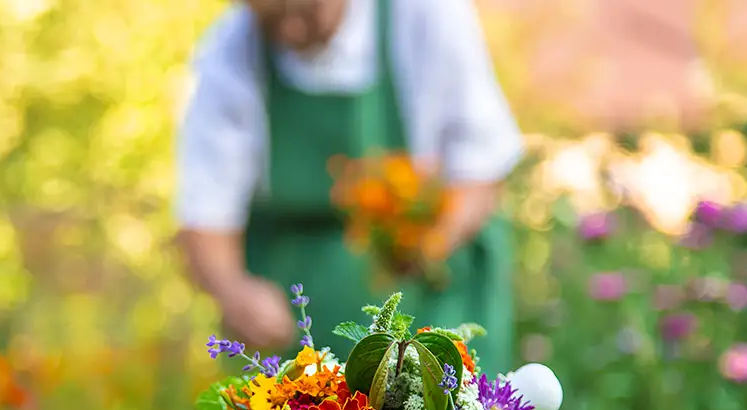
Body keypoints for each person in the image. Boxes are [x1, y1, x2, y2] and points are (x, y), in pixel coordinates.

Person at [175, 0, 524, 375]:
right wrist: (235, 291)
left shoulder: (425, 13)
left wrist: (431, 243)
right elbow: (205, 210)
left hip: (434, 294)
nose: (290, 32)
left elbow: (481, 168)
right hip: (297, 334)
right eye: (272, 20)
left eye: (304, 12)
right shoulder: (230, 49)